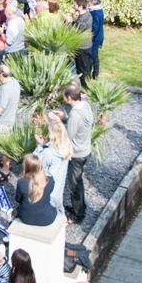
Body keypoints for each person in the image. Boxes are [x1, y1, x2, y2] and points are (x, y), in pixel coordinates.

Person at [60, 84, 93, 224]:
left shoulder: (74, 114)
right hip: (85, 149)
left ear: (69, 98)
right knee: (78, 181)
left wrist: (58, 124)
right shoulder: (85, 105)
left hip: (76, 154)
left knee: (74, 184)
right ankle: (80, 207)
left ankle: (78, 214)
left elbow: (68, 136)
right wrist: (64, 118)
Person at [34, 115, 72, 213]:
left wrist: (39, 146)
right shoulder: (66, 147)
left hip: (47, 189)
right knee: (58, 210)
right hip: (58, 189)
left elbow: (35, 163)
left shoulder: (49, 153)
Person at [13, 153, 57, 227]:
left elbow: (18, 199)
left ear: (26, 168)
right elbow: (49, 193)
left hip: (26, 218)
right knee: (54, 208)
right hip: (47, 218)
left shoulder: (21, 182)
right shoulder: (50, 180)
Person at [70, 0, 94, 78]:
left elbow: (77, 29)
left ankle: (84, 88)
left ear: (80, 7)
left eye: (74, 4)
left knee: (82, 70)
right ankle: (87, 84)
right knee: (86, 68)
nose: (73, 6)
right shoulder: (88, 14)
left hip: (82, 47)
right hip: (87, 45)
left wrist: (70, 22)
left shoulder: (82, 18)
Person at [87, 0, 104, 79]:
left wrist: (90, 36)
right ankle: (94, 73)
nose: (88, 3)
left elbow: (95, 27)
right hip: (98, 35)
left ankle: (94, 74)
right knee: (94, 55)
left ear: (93, 2)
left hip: (95, 37)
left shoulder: (96, 12)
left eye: (89, 1)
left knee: (93, 55)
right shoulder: (98, 10)